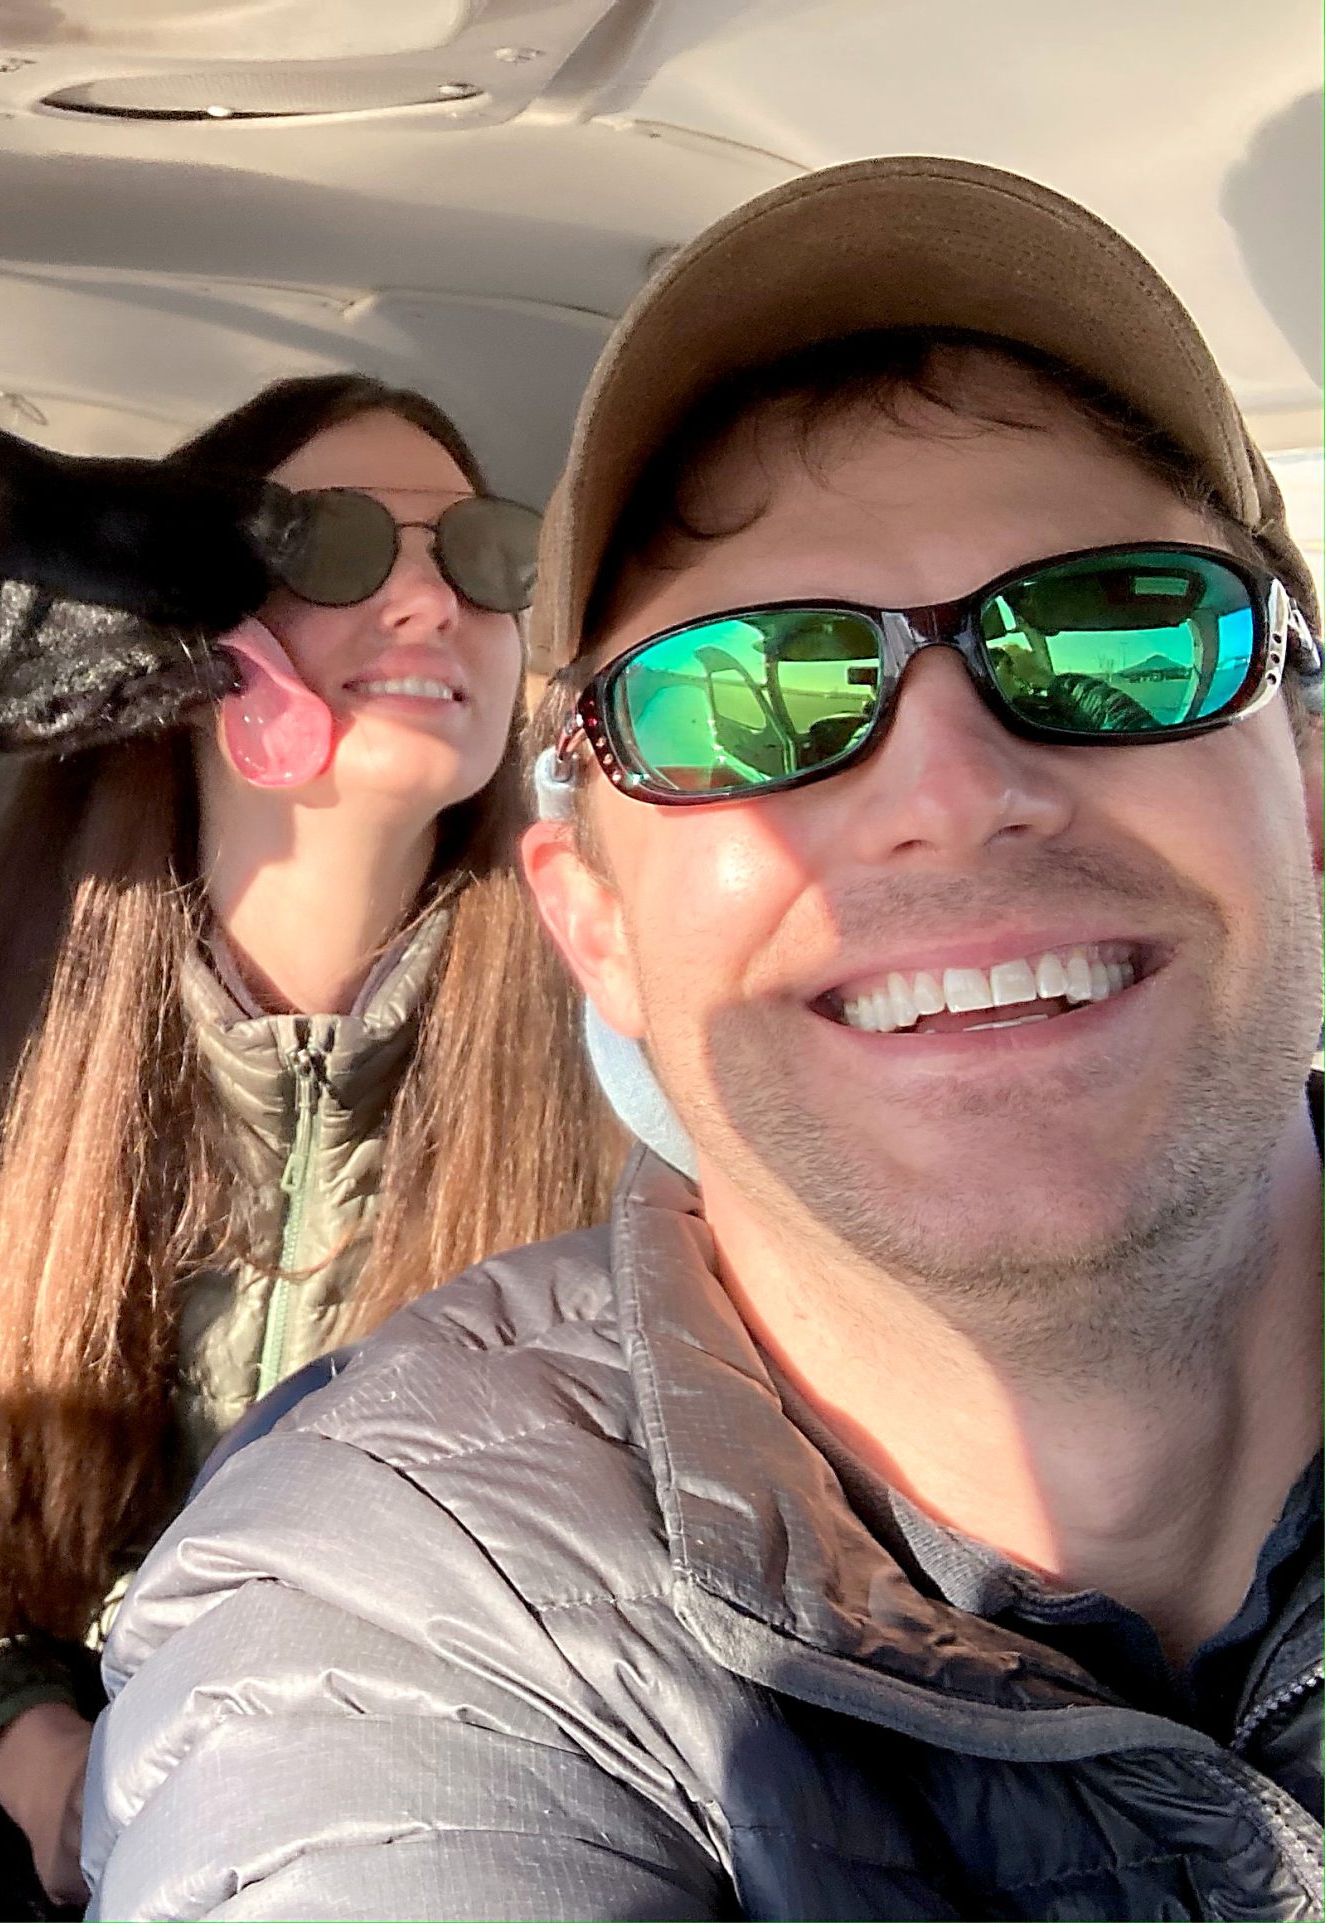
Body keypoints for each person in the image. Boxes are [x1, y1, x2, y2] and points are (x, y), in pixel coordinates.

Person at [88, 155, 1322, 1920]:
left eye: (1113, 632)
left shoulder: (561, 1079)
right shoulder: (388, 1601)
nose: (958, 793)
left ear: (1313, 791)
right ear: (593, 921)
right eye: (752, 698)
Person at [0, 374, 619, 1914]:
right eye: (339, 548)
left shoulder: (620, 1079)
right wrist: (35, 1762)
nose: (438, 598)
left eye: (488, 554)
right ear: (189, 636)